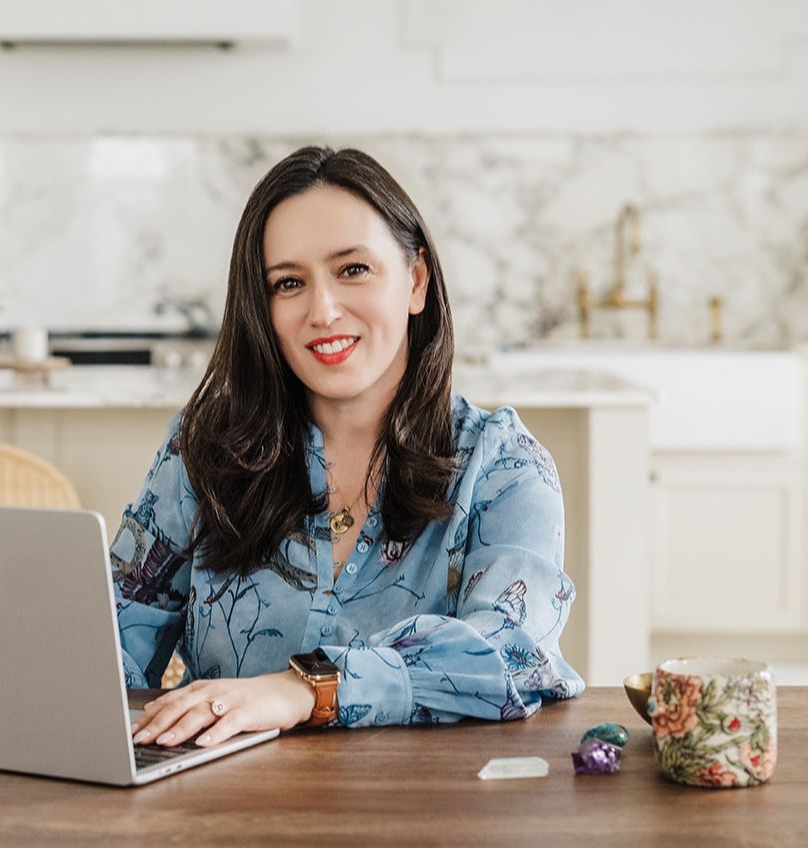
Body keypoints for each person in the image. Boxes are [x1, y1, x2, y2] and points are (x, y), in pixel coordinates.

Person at [117, 146, 584, 751]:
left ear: (416, 281)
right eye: (288, 283)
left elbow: (513, 655)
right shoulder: (203, 449)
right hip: (218, 803)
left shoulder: (504, 468)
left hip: (427, 805)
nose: (323, 311)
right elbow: (114, 632)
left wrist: (303, 688)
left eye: (353, 270)